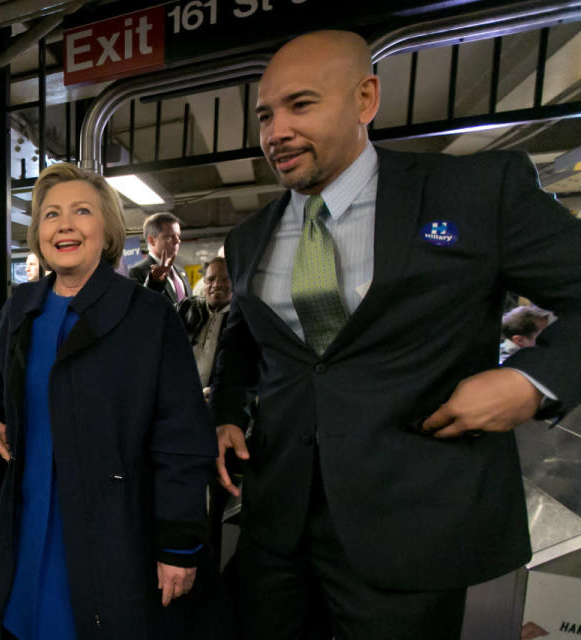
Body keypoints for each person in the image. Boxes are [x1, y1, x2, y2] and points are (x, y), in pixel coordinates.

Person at [211, 30, 581, 640]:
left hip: (409, 530)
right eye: (266, 115)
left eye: (301, 105)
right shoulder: (249, 238)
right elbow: (247, 339)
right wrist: (226, 410)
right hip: (277, 528)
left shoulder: (474, 194)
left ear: (365, 99)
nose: (275, 131)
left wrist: (531, 381)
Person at [0, 162, 218, 640]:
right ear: (38, 232)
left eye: (81, 211)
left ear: (106, 229)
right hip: (28, 514)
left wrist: (179, 545)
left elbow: (182, 436)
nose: (64, 224)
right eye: (50, 214)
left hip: (114, 529)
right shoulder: (21, 308)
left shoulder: (147, 316)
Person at [177, 257, 232, 396]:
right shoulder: (187, 308)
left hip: (219, 405)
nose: (217, 284)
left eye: (224, 279)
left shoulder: (243, 320)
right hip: (181, 398)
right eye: (210, 279)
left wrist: (216, 393)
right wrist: (155, 283)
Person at [129, 212, 192, 304]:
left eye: (178, 236)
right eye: (170, 236)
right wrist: (154, 282)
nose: (177, 241)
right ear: (152, 240)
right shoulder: (137, 272)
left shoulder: (181, 272)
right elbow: (139, 307)